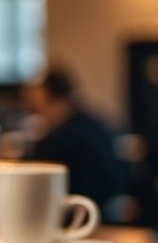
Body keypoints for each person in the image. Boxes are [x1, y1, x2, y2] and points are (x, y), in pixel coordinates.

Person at [24, 67, 128, 216]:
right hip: (104, 211)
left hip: (76, 217)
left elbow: (37, 186)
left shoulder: (61, 138)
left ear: (46, 97)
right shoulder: (97, 123)